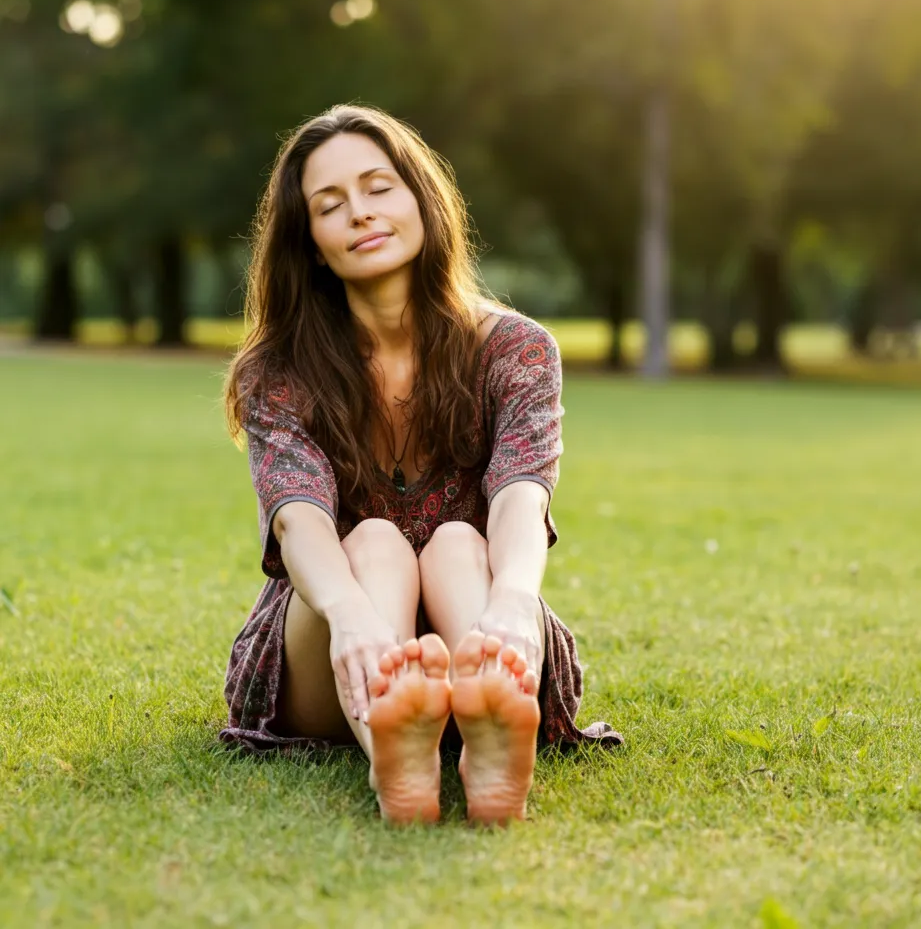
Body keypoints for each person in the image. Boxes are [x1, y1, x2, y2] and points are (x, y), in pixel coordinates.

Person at [218, 104, 620, 824]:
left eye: (378, 187)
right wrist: (349, 617)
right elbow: (297, 518)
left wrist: (515, 601)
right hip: (337, 645)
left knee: (459, 542)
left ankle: (487, 721)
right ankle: (394, 752)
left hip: (478, 620)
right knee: (371, 542)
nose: (360, 215)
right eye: (329, 205)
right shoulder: (278, 370)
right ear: (309, 241)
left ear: (421, 199)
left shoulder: (518, 351)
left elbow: (520, 499)